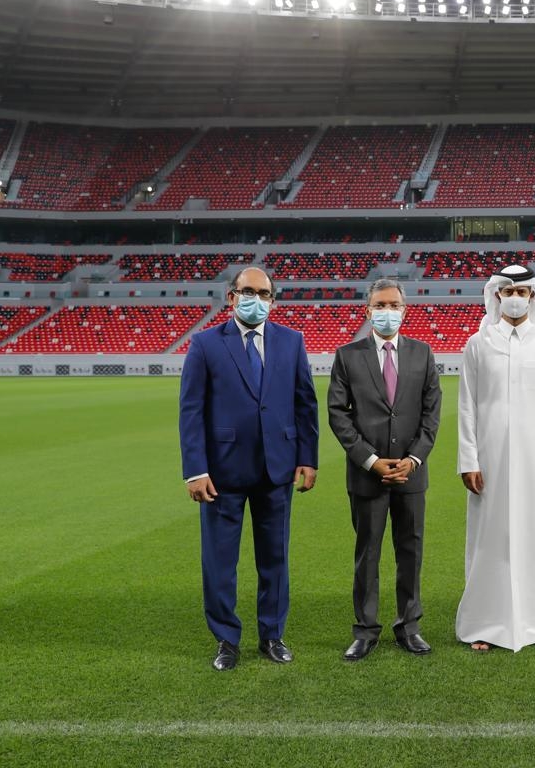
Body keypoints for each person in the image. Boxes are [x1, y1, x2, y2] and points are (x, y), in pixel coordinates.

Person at [179, 266, 319, 671]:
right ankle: (226, 638)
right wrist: (195, 469)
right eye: (248, 291)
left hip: (277, 469)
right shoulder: (205, 344)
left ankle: (272, 635)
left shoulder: (291, 342)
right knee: (220, 561)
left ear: (273, 300)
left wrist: (307, 457)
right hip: (221, 474)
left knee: (274, 557)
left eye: (264, 293)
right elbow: (191, 411)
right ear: (231, 297)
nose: (256, 299)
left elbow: (304, 403)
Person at [456, 265, 535, 652]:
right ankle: (485, 624)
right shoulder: (478, 343)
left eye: (523, 291)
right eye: (509, 291)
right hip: (488, 460)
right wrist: (468, 460)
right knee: (490, 538)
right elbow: (467, 406)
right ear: (497, 295)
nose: (516, 298)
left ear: (534, 297)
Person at [327, 278, 442, 662]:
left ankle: (409, 626)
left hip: (411, 474)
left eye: (394, 304)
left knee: (410, 552)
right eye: (380, 304)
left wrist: (412, 459)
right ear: (367, 309)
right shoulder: (347, 355)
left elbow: (431, 416)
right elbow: (337, 415)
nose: (387, 311)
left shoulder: (423, 354)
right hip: (367, 475)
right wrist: (373, 461)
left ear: (404, 309)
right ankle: (365, 630)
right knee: (368, 554)